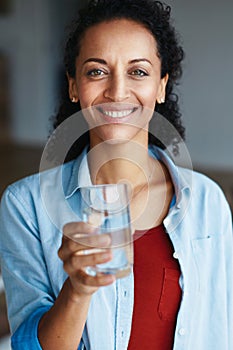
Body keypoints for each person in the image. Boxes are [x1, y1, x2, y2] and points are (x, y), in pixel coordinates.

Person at [0, 0, 232, 349]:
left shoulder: (207, 200)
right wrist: (77, 291)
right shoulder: (25, 205)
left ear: (162, 86)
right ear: (74, 86)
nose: (117, 91)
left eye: (138, 72)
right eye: (96, 71)